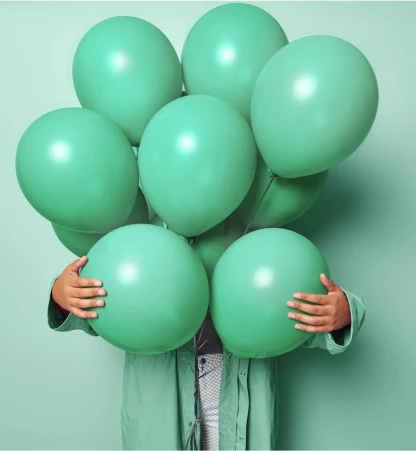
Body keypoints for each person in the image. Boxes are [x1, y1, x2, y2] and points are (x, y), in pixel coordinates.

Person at [49, 255, 366, 451]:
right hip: (160, 392)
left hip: (239, 385)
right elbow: (104, 307)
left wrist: (344, 313)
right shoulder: (139, 242)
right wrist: (62, 295)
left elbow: (295, 312)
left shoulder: (259, 238)